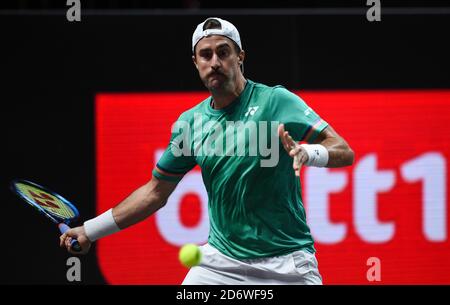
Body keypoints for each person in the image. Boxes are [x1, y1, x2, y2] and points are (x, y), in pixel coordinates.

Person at [60, 17, 354, 285]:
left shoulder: (275, 100)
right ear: (195, 62)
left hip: (287, 264)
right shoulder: (190, 124)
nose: (215, 61)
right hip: (220, 264)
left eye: (224, 52)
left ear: (240, 57)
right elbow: (155, 192)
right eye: (206, 54)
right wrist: (90, 230)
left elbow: (343, 150)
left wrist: (308, 153)